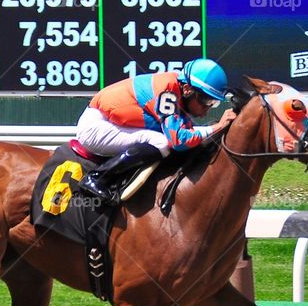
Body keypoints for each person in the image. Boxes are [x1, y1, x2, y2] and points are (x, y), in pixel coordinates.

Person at [75, 58, 237, 202]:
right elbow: (179, 141)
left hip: (111, 124)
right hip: (96, 128)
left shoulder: (177, 90)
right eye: (206, 100)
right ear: (188, 89)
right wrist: (217, 127)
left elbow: (185, 134)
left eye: (214, 103)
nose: (207, 109)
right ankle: (97, 179)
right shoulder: (167, 93)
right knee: (161, 142)